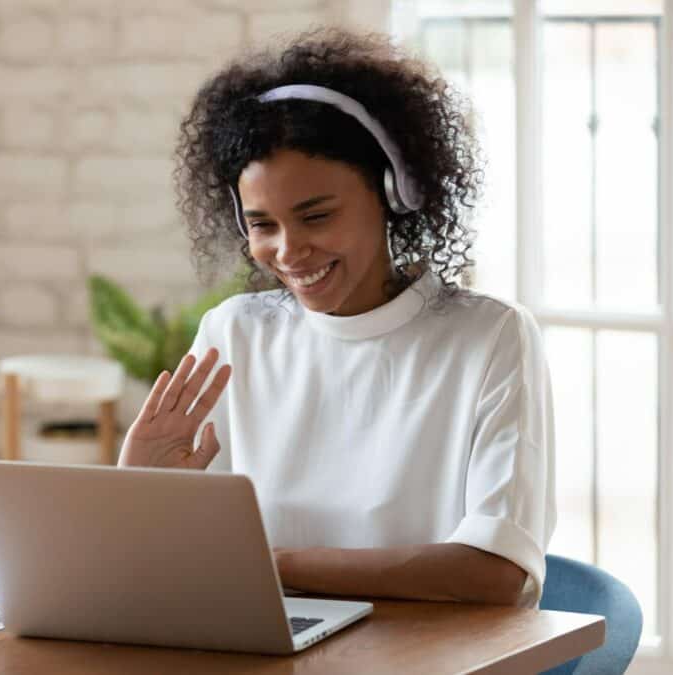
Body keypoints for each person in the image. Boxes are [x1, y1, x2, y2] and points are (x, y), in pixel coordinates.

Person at [117, 27, 555, 608]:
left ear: (394, 195)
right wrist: (140, 490)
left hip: (427, 655)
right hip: (264, 643)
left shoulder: (489, 339)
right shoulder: (235, 333)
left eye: (316, 216)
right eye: (263, 225)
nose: (289, 251)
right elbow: (175, 565)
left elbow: (494, 573)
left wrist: (275, 567)